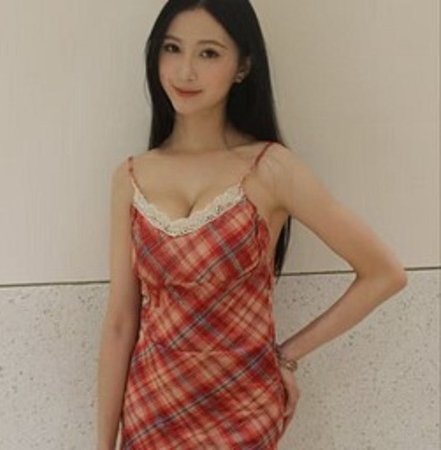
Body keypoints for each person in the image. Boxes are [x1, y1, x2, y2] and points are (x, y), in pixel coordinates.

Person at [96, 1, 407, 449]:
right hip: (153, 409)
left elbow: (383, 274)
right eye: (172, 48)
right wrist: (103, 444)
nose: (185, 70)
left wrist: (288, 356)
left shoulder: (272, 169)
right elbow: (120, 323)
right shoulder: (130, 177)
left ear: (242, 66)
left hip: (243, 412)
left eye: (208, 53)